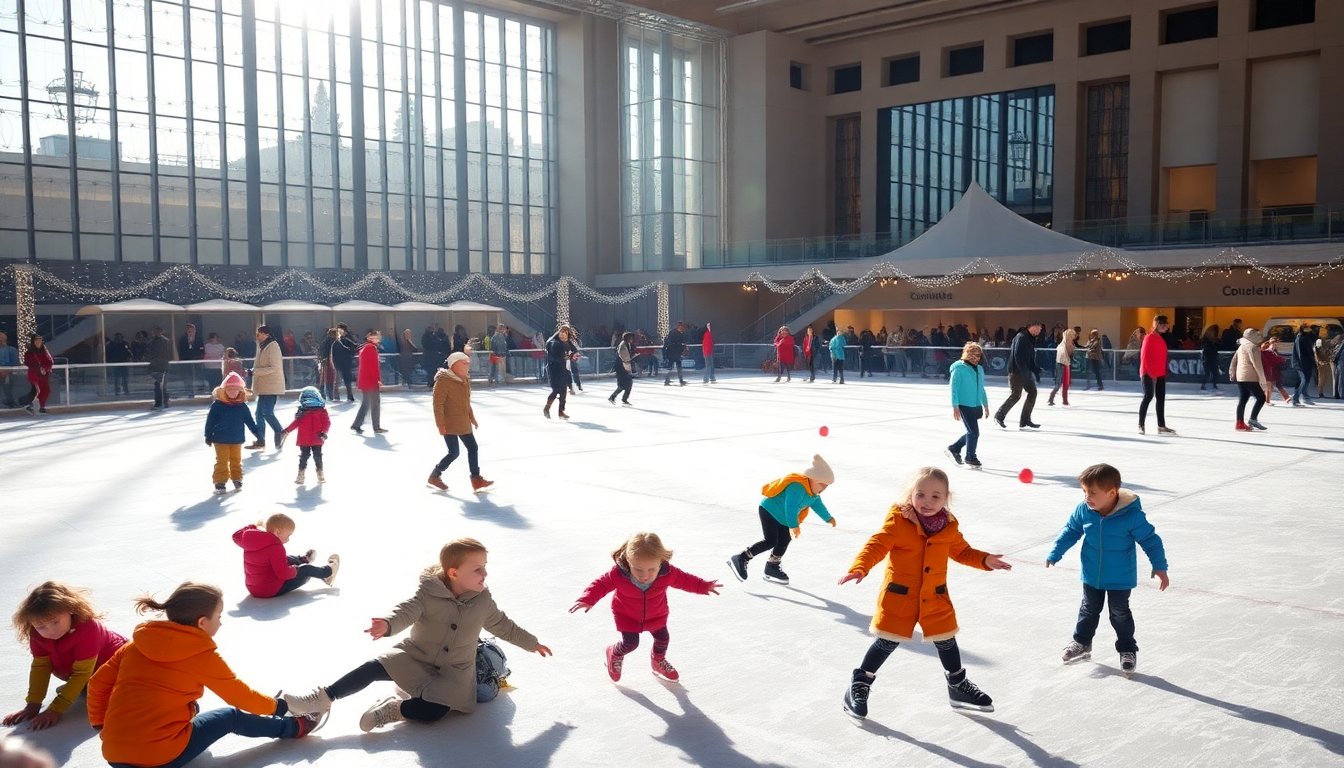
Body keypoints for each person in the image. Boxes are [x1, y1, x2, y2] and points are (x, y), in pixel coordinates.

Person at [280, 538, 552, 732]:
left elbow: (504, 626)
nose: (485, 573)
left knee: (434, 713)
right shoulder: (429, 593)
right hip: (416, 656)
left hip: (454, 673)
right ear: (454, 572)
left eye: (485, 566)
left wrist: (532, 643)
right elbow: (407, 610)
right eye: (477, 568)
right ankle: (323, 698)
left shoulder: (483, 602)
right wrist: (388, 624)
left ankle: (395, 709)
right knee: (373, 667)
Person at [838, 467, 1010, 719]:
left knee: (946, 639)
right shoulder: (899, 520)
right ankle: (859, 684)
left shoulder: (949, 526)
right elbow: (876, 544)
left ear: (945, 498)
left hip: (935, 595)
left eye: (935, 496)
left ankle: (957, 686)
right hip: (900, 595)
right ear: (911, 494)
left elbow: (962, 552)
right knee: (887, 640)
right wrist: (859, 568)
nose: (926, 502)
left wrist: (985, 560)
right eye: (921, 494)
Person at [87, 582, 321, 767]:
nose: (220, 622)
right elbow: (240, 697)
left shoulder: (134, 646)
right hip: (159, 759)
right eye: (218, 616)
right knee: (231, 717)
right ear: (202, 622)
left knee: (192, 706)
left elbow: (97, 684)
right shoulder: (203, 656)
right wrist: (279, 707)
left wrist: (100, 725)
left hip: (115, 755)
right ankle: (294, 728)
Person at [1047, 463, 1168, 677]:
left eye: (1092, 492)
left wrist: (1159, 566)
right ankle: (1082, 643)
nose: (1087, 497)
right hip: (1092, 574)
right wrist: (1056, 551)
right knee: (1088, 609)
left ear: (1111, 493)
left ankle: (1127, 649)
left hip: (1120, 577)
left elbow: (1150, 540)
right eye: (1084, 491)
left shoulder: (1131, 515)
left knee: (1119, 614)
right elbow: (1071, 530)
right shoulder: (1084, 510)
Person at [571, 532, 720, 683]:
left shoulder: (667, 573)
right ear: (628, 562)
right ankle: (614, 653)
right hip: (626, 614)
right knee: (631, 644)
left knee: (663, 639)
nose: (645, 576)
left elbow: (685, 580)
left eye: (651, 570)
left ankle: (658, 661)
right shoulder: (618, 574)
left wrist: (703, 586)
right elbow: (600, 584)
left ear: (660, 562)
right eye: (638, 570)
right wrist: (587, 599)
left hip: (656, 614)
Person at [4, 581, 127, 732]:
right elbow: (41, 667)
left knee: (119, 696)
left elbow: (82, 673)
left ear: (71, 610)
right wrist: (33, 704)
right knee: (86, 686)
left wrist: (56, 709)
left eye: (55, 622)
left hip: (121, 669)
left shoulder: (89, 628)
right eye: (41, 626)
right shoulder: (36, 634)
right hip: (88, 674)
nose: (50, 631)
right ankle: (85, 688)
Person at [727, 455, 837, 586]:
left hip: (784, 518)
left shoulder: (813, 494)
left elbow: (818, 506)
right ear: (813, 479)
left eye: (826, 487)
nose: (824, 489)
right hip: (769, 510)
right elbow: (791, 508)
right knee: (771, 541)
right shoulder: (797, 487)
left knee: (784, 540)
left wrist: (828, 518)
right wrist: (794, 526)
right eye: (822, 486)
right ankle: (741, 557)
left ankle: (772, 566)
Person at [428, 351, 494, 493]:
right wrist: (440, 425)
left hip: (463, 421)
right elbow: (437, 405)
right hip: (449, 423)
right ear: (454, 365)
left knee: (473, 447)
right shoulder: (443, 381)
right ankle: (435, 475)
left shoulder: (464, 380)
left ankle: (476, 479)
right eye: (464, 363)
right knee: (454, 452)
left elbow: (466, 402)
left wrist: (472, 417)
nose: (467, 366)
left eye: (467, 363)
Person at [232, 513, 339, 598]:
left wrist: (253, 526)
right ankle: (327, 573)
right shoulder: (276, 547)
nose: (288, 539)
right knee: (306, 569)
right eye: (288, 535)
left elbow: (236, 535)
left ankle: (304, 559)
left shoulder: (249, 540)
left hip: (254, 588)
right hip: (270, 589)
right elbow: (283, 573)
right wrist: (296, 570)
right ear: (278, 532)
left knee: (284, 559)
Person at [204, 371, 261, 495]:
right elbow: (210, 422)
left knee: (236, 460)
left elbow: (250, 422)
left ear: (241, 391)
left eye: (236, 390)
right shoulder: (217, 406)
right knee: (222, 461)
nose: (233, 393)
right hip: (220, 439)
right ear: (224, 390)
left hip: (236, 439)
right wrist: (208, 435)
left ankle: (237, 478)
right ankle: (220, 482)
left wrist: (258, 433)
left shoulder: (242, 407)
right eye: (230, 390)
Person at [944, 343, 990, 469]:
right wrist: (955, 406)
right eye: (973, 356)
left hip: (975, 404)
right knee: (974, 432)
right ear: (967, 355)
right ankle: (970, 457)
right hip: (964, 404)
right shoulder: (959, 368)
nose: (976, 359)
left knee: (971, 432)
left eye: (978, 356)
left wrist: (985, 404)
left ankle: (954, 448)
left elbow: (981, 388)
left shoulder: (979, 369)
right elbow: (954, 388)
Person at [993, 321, 1042, 430]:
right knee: (1016, 395)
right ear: (1033, 327)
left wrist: (1035, 369)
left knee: (1032, 392)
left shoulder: (1030, 338)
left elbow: (1029, 357)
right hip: (1016, 372)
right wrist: (1025, 372)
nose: (1040, 331)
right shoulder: (1021, 337)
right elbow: (1017, 356)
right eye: (1039, 329)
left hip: (1025, 371)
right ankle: (999, 415)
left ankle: (1025, 420)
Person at [279, 386, 330, 485]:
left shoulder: (321, 411)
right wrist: (287, 430)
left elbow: (326, 422)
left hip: (317, 437)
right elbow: (296, 423)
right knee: (304, 457)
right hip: (305, 439)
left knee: (317, 456)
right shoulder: (302, 412)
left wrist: (324, 432)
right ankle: (301, 475)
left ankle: (320, 473)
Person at [247, 325, 286, 450]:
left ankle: (280, 431)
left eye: (258, 334)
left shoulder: (273, 346)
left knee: (267, 412)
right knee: (259, 413)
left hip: (271, 385)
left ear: (265, 334)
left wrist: (255, 372)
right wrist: (253, 371)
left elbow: (274, 367)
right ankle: (260, 440)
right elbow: (259, 365)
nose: (256, 337)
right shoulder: (262, 346)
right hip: (263, 385)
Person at [1138, 314, 1176, 435]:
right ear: (1157, 325)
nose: (1166, 328)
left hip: (1160, 373)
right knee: (1148, 396)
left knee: (1160, 399)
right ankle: (1141, 424)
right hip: (1148, 372)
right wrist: (1150, 372)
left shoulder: (1160, 338)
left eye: (1167, 326)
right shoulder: (1149, 337)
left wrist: (1164, 371)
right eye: (1164, 325)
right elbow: (1144, 357)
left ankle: (1161, 426)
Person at [1229, 331, 1270, 431]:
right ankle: (1253, 419)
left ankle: (1239, 423)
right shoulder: (1253, 347)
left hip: (1240, 377)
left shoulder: (1241, 346)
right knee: (1261, 398)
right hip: (1250, 376)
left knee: (1243, 399)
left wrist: (1232, 373)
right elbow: (1257, 365)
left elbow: (1233, 361)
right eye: (1257, 335)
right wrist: (1263, 380)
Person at [350, 329, 387, 434]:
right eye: (377, 337)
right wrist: (377, 380)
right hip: (370, 381)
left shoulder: (366, 348)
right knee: (375, 404)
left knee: (366, 404)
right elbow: (373, 367)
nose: (379, 339)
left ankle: (356, 424)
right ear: (370, 338)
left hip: (366, 380)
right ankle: (376, 427)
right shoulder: (370, 348)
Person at [543, 326, 573, 420]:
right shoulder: (554, 343)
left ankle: (561, 412)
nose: (564, 334)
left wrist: (572, 356)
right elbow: (553, 359)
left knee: (563, 392)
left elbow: (572, 351)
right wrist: (564, 358)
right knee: (556, 390)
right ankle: (546, 408)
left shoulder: (566, 343)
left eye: (566, 333)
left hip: (563, 369)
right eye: (562, 332)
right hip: (554, 370)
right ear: (559, 333)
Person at [22, 334, 53, 415]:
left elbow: (50, 361)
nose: (39, 342)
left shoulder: (44, 350)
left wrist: (45, 368)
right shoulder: (29, 352)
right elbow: (27, 362)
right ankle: (29, 405)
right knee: (37, 390)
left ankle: (41, 407)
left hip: (44, 375)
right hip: (34, 374)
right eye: (36, 340)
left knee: (46, 390)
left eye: (40, 340)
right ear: (33, 342)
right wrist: (38, 367)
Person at [1047, 327, 1076, 406]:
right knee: (1058, 383)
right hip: (1061, 364)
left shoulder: (1071, 344)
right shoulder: (1062, 345)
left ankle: (1065, 400)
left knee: (1066, 383)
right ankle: (1051, 399)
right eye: (1070, 335)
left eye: (1072, 335)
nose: (1072, 336)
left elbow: (1071, 355)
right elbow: (1060, 356)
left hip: (1067, 364)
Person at [1291, 324, 1317, 406]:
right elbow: (1300, 353)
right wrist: (1302, 364)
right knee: (1303, 380)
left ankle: (1305, 397)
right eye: (1307, 328)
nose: (1308, 330)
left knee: (1305, 381)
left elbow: (1314, 339)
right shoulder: (1300, 338)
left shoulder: (1307, 337)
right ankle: (1295, 399)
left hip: (1307, 363)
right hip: (1300, 364)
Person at [1259, 337, 1290, 406]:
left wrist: (1281, 359)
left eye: (1277, 343)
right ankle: (1266, 401)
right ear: (1272, 343)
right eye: (1275, 343)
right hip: (1268, 370)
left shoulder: (1273, 351)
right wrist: (1282, 359)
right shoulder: (1268, 351)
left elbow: (1276, 359)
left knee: (1271, 387)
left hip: (1272, 371)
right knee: (1269, 387)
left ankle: (1267, 401)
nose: (1276, 344)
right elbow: (1274, 360)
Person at [177, 323, 205, 397]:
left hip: (197, 362)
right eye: (189, 331)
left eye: (192, 331)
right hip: (186, 362)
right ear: (186, 331)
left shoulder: (199, 339)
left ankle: (201, 392)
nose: (191, 333)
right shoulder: (183, 339)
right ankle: (190, 393)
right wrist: (189, 344)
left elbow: (202, 350)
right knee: (188, 378)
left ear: (195, 331)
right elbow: (181, 351)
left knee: (198, 377)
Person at [609, 331, 635, 406]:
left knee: (628, 383)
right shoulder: (623, 346)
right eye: (630, 338)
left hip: (625, 366)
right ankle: (613, 397)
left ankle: (624, 398)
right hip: (621, 367)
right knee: (623, 385)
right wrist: (632, 357)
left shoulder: (627, 344)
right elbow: (625, 357)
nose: (632, 339)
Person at [332, 323, 357, 402]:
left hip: (346, 362)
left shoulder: (348, 339)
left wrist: (349, 355)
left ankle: (349, 396)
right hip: (338, 362)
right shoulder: (334, 339)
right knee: (338, 380)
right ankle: (336, 396)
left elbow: (354, 348)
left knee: (347, 379)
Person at [106, 332, 134, 396]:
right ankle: (117, 391)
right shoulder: (112, 344)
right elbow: (108, 352)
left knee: (125, 378)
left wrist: (130, 357)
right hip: (115, 363)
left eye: (119, 336)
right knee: (116, 378)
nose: (118, 338)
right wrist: (109, 361)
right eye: (117, 337)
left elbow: (129, 352)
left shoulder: (125, 344)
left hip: (124, 363)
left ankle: (126, 390)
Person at [662, 322, 687, 386]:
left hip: (672, 353)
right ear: (679, 327)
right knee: (677, 367)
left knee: (672, 367)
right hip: (675, 353)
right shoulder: (677, 334)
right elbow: (679, 343)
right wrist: (683, 348)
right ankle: (679, 380)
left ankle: (668, 380)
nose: (683, 329)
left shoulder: (672, 333)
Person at [1198, 325, 1221, 391]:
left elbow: (1218, 347)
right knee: (1207, 373)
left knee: (1215, 373)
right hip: (1207, 358)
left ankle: (1214, 384)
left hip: (1213, 358)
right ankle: (1204, 385)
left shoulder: (1215, 340)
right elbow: (1205, 348)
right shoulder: (1206, 340)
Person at [0, 331, 19, 407]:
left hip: (8, 374)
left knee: (8, 385)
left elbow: (15, 364)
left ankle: (10, 402)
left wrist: (6, 372)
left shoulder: (12, 350)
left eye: (1, 338)